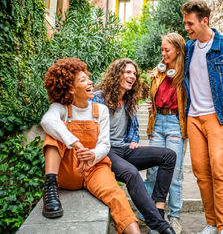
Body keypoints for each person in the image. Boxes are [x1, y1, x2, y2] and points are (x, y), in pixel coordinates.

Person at [40, 57, 140, 234]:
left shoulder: (99, 110)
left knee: (117, 196)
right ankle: (50, 187)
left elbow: (105, 144)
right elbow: (47, 120)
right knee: (53, 133)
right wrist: (76, 144)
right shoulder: (61, 108)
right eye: (83, 79)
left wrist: (93, 155)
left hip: (95, 168)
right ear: (71, 88)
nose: (91, 81)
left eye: (88, 77)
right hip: (69, 170)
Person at [92, 58, 177, 234]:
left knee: (169, 155)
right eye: (128, 72)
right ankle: (160, 225)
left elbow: (134, 128)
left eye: (134, 74)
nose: (133, 76)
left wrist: (133, 140)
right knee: (131, 172)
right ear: (117, 74)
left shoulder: (129, 100)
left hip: (124, 149)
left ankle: (158, 207)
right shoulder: (98, 97)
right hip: (106, 150)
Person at [180, 0, 223, 234]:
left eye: (190, 23)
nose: (187, 27)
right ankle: (212, 222)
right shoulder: (188, 49)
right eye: (185, 23)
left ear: (204, 21)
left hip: (219, 116)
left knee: (219, 168)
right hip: (193, 117)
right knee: (200, 171)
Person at [144, 33, 187, 234]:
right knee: (152, 171)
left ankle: (175, 217)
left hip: (175, 124)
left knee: (175, 173)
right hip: (158, 122)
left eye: (167, 49)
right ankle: (154, 217)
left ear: (178, 50)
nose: (163, 53)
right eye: (162, 49)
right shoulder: (158, 72)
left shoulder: (185, 72)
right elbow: (154, 96)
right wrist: (151, 105)